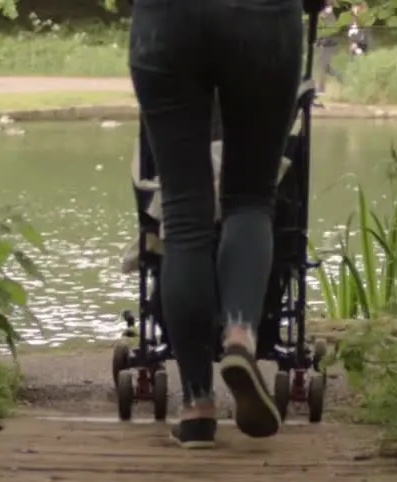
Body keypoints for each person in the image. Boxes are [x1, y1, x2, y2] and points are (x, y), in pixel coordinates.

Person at [129, 0, 303, 449]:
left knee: (185, 213)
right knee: (249, 197)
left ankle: (197, 408)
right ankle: (240, 333)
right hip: (263, 21)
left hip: (166, 22)